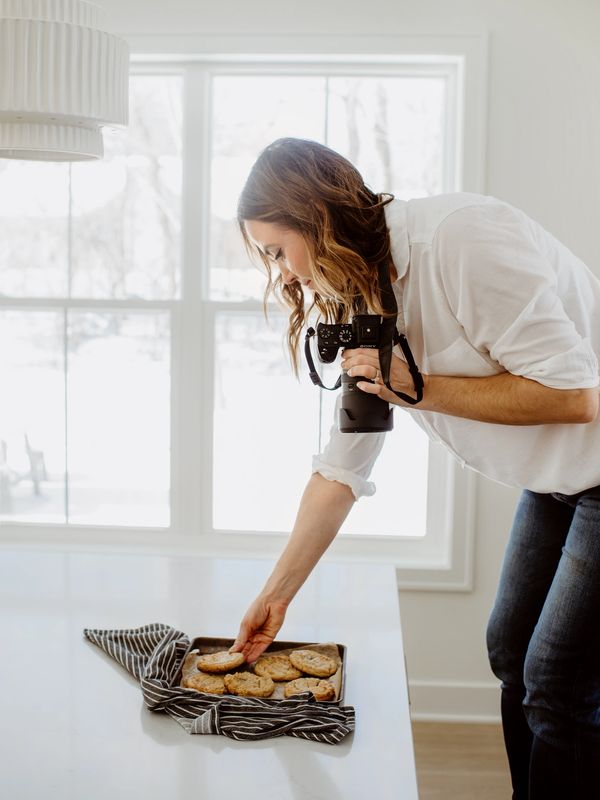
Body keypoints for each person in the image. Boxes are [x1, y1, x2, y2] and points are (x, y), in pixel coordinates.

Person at [229, 137, 600, 798]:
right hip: (557, 480)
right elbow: (341, 470)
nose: (280, 274)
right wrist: (277, 594)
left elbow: (575, 395)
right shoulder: (360, 296)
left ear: (316, 219)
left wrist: (418, 386)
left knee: (557, 683)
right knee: (511, 651)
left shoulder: (462, 241)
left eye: (275, 250)